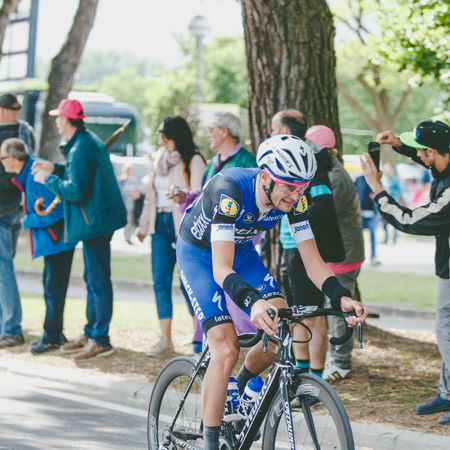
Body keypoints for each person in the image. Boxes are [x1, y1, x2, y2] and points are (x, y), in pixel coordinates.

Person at [176, 134, 369, 449]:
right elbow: (221, 269)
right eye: (289, 187)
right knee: (225, 348)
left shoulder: (294, 197)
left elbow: (312, 260)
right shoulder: (230, 190)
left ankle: (238, 389)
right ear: (265, 177)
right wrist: (252, 302)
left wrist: (340, 296)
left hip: (240, 252)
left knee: (280, 328)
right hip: (200, 256)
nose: (296, 195)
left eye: (303, 187)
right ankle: (210, 441)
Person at [361, 118, 450, 426]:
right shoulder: (444, 163)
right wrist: (399, 145)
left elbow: (409, 220)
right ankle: (447, 393)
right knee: (446, 328)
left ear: (432, 151)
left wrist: (377, 190)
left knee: (446, 329)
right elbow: (426, 158)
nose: (419, 155)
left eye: (420, 150)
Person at [32, 98, 127, 361]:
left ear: (68, 120)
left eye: (58, 118)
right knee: (93, 278)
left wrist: (48, 178)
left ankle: (100, 339)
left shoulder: (81, 147)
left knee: (98, 281)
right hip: (96, 220)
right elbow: (80, 174)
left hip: (96, 222)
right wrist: (55, 168)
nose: (56, 122)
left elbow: (75, 189)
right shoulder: (84, 142)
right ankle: (91, 332)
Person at [271, 111, 345, 379]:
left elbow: (323, 203)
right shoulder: (289, 159)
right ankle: (300, 377)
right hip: (289, 247)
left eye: (274, 129)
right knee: (296, 314)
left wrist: (297, 220)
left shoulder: (309, 161)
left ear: (285, 132)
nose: (271, 134)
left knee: (312, 315)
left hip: (304, 248)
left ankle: (315, 380)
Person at [187, 111, 257, 354]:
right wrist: (186, 198)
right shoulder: (212, 163)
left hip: (234, 240)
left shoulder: (246, 161)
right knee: (207, 293)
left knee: (233, 289)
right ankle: (204, 345)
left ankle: (245, 339)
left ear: (224, 132)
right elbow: (204, 196)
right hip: (204, 241)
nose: (209, 135)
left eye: (212, 129)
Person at [137, 115, 206, 357]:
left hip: (182, 225)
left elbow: (200, 194)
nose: (158, 135)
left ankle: (200, 334)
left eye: (161, 131)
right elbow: (150, 196)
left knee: (187, 282)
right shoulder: (157, 159)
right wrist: (143, 226)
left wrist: (182, 195)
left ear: (172, 134)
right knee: (160, 281)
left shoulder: (193, 160)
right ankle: (165, 338)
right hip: (159, 222)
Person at [0, 138, 76, 354]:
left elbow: (57, 208)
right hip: (54, 241)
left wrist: (28, 220)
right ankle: (55, 333)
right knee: (51, 287)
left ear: (13, 159)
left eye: (2, 157)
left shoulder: (35, 175)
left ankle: (51, 337)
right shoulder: (28, 173)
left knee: (53, 289)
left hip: (58, 240)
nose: (1, 162)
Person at [305, 125, 365, 381]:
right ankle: (337, 357)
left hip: (345, 252)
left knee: (340, 307)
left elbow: (325, 214)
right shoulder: (329, 171)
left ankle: (341, 362)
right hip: (339, 250)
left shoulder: (335, 176)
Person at [0, 93, 35, 348]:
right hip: (16, 208)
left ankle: (12, 329)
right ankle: (5, 324)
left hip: (2, 210)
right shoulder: (26, 132)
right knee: (5, 269)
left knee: (4, 271)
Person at [355, 173, 380, 265]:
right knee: (359, 237)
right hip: (360, 212)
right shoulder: (359, 179)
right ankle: (358, 257)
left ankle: (373, 257)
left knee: (373, 236)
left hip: (372, 212)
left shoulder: (375, 180)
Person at [381, 163, 402, 245]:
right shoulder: (383, 179)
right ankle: (385, 238)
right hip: (384, 204)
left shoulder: (395, 180)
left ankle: (394, 239)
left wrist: (391, 192)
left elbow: (399, 192)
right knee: (384, 222)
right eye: (385, 170)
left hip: (393, 203)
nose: (386, 171)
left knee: (394, 222)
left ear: (391, 170)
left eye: (387, 170)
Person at [119, 164, 140, 244]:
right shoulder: (121, 181)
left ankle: (129, 236)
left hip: (133, 204)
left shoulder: (134, 180)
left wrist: (136, 194)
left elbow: (138, 191)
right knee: (126, 221)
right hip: (124, 204)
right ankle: (126, 236)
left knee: (131, 221)